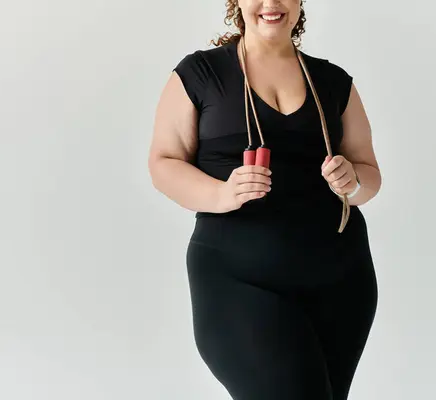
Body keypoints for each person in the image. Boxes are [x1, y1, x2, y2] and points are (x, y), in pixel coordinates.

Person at [148, 0, 382, 398]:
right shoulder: (202, 73)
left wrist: (352, 180)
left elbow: (369, 176)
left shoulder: (333, 80)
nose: (271, 3)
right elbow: (163, 162)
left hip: (341, 281)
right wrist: (221, 193)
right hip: (240, 280)